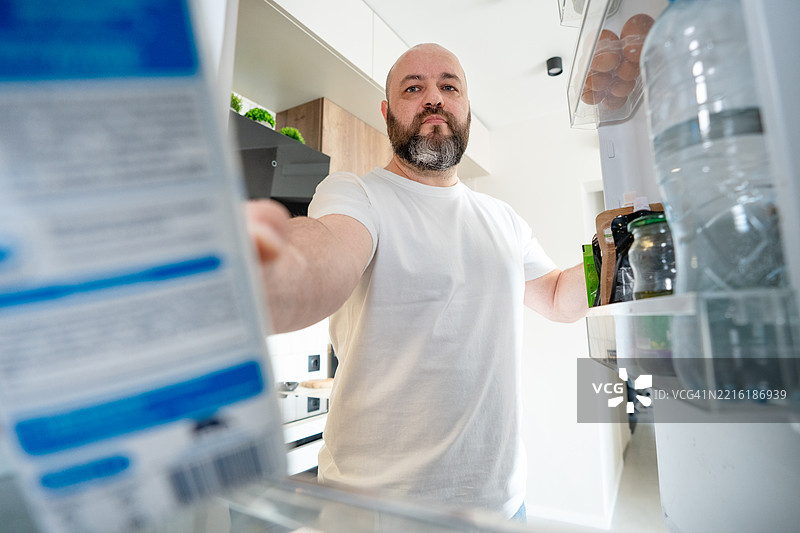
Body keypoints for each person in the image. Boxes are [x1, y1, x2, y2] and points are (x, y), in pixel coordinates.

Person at [245, 43, 587, 521]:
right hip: (377, 514)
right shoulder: (356, 194)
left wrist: (619, 250)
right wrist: (262, 267)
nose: (434, 98)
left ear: (466, 107)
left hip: (503, 508)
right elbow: (325, 252)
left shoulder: (503, 219)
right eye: (414, 88)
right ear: (387, 112)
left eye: (449, 86)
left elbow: (555, 297)